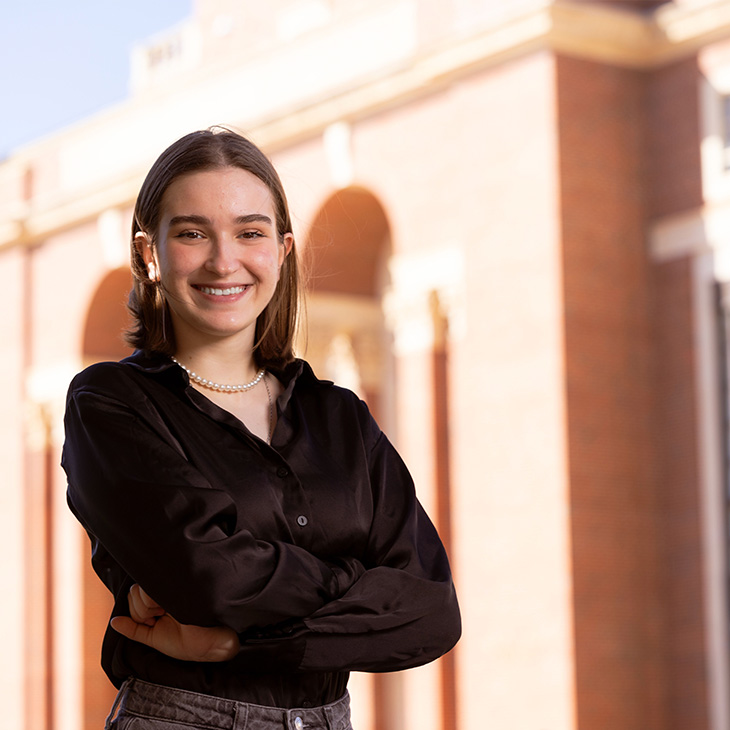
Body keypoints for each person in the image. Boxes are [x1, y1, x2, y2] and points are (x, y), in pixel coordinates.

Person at [62, 128, 460, 730]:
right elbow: (212, 579)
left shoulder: (338, 417)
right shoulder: (111, 405)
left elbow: (430, 612)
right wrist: (358, 584)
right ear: (149, 254)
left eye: (250, 232)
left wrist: (237, 644)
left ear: (282, 250)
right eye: (193, 233)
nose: (225, 261)